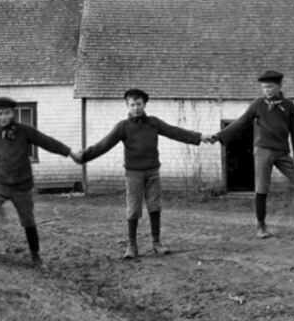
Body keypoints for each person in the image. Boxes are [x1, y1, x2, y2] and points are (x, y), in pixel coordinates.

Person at [78, 89, 214, 259]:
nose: (136, 108)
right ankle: (132, 246)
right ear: (127, 106)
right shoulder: (123, 127)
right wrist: (84, 156)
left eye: (139, 104)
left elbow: (174, 132)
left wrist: (199, 137)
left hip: (152, 172)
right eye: (132, 104)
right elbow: (104, 144)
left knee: (155, 206)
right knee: (133, 208)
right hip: (133, 174)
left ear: (144, 104)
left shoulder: (153, 123)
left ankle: (156, 243)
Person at [0, 96, 82, 268]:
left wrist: (69, 152)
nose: (4, 117)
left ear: (13, 113)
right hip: (0, 184)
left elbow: (47, 142)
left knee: (28, 222)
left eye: (7, 113)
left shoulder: (25, 131)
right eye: (0, 113)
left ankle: (36, 258)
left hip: (22, 187)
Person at [209, 70, 294, 238]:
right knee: (262, 187)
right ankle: (261, 227)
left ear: (279, 86)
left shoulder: (289, 105)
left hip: (283, 152)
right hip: (263, 151)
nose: (267, 90)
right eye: (263, 87)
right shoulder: (258, 105)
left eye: (270, 87)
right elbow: (241, 122)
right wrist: (219, 136)